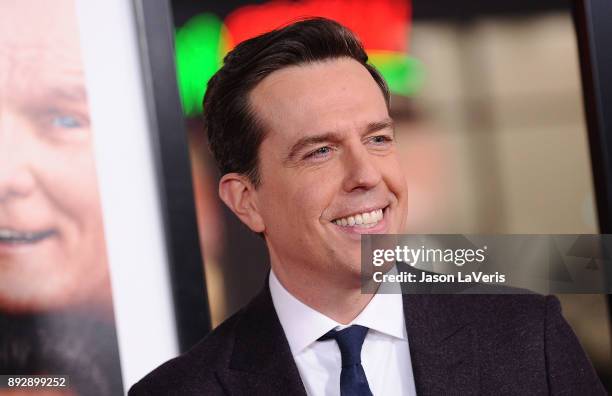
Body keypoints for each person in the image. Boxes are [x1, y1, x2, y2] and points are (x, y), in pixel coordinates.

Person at [130, 18, 605, 395]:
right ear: (246, 201)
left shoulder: (526, 336)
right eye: (321, 151)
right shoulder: (180, 391)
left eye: (378, 139)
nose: (366, 176)